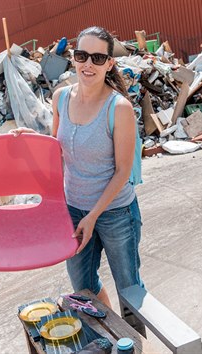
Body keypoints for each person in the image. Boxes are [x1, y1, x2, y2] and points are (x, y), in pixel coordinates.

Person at [12, 26, 144, 308]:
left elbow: (122, 171)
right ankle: (107, 335)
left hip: (116, 212)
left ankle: (133, 348)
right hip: (73, 208)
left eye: (98, 58)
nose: (88, 64)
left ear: (109, 63)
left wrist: (94, 215)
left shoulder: (119, 108)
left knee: (129, 289)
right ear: (73, 57)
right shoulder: (60, 97)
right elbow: (57, 147)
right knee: (83, 288)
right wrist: (32, 139)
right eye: (82, 55)